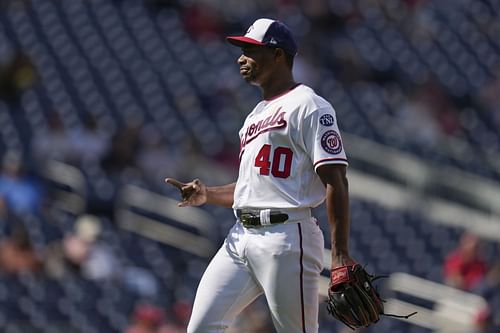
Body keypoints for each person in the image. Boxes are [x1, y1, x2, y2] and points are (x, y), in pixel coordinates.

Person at [165, 18, 356, 333]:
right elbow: (252, 188)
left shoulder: (309, 105)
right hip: (241, 235)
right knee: (200, 327)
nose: (241, 57)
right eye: (242, 50)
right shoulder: (254, 115)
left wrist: (340, 254)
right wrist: (208, 194)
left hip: (287, 235)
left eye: (251, 50)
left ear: (279, 55)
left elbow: (336, 181)